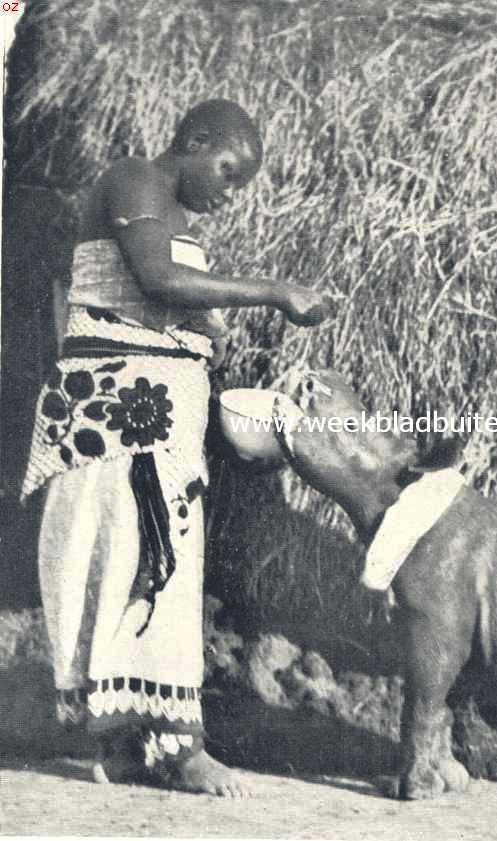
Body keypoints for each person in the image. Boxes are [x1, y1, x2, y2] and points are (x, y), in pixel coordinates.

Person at [21, 99, 334, 797]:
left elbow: (165, 297)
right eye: (228, 170)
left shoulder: (170, 214)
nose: (230, 192)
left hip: (150, 423)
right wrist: (275, 291)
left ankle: (136, 740)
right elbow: (159, 280)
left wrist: (209, 333)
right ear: (194, 141)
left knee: (148, 565)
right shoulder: (134, 178)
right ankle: (171, 745)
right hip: (118, 418)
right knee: (133, 563)